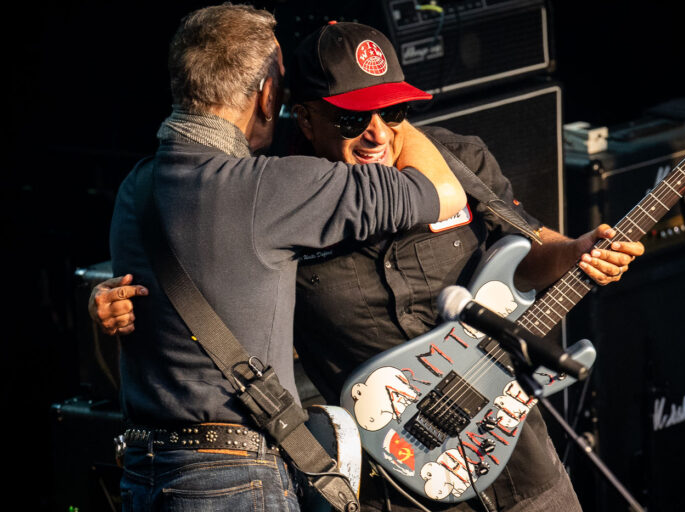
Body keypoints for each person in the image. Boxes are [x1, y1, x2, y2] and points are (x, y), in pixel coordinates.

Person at [93, 20, 643, 512]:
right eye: (354, 117)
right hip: (394, 483)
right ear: (301, 116)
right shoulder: (279, 196)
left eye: (395, 111)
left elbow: (526, 256)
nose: (379, 132)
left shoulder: (456, 155)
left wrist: (575, 252)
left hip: (516, 458)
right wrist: (114, 314)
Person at [107, 6, 467, 512]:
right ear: (266, 95)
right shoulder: (271, 188)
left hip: (143, 474)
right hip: (234, 479)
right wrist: (390, 115)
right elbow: (441, 192)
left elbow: (136, 309)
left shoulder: (134, 190)